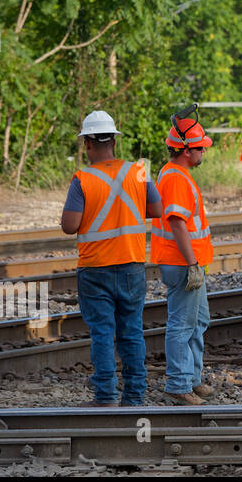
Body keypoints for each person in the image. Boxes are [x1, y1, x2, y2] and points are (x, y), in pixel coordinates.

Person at [59, 111, 163, 407]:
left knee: (103, 334)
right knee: (131, 332)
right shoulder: (138, 172)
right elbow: (156, 210)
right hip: (131, 267)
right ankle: (134, 397)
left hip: (95, 270)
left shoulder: (83, 179)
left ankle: (105, 396)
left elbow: (69, 226)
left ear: (87, 144)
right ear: (114, 142)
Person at [151, 110, 215, 405]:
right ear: (186, 149)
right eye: (201, 146)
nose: (204, 151)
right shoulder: (176, 178)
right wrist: (192, 264)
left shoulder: (176, 173)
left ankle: (191, 378)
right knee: (182, 324)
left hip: (190, 262)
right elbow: (177, 223)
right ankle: (178, 385)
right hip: (182, 263)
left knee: (198, 320)